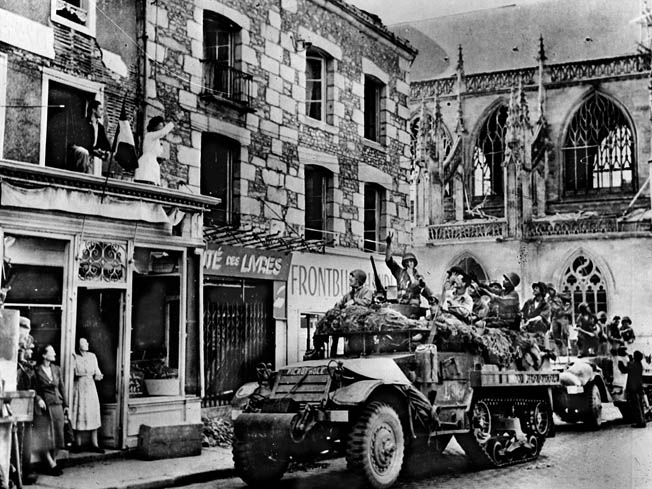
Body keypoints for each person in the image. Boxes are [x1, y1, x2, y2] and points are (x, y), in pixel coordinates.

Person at [311, 269, 373, 358]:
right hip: (346, 320)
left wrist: (354, 301)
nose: (350, 279)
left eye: (352, 278)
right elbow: (340, 304)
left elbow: (367, 302)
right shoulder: (348, 294)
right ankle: (319, 349)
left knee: (353, 333)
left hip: (359, 320)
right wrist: (337, 307)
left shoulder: (367, 291)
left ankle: (356, 352)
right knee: (323, 324)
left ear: (358, 280)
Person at [33, 345, 68, 476]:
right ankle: (51, 464)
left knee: (58, 436)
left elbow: (62, 387)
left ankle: (53, 462)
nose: (54, 354)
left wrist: (66, 405)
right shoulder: (36, 370)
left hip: (57, 405)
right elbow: (34, 388)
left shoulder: (56, 369)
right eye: (51, 352)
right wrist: (38, 399)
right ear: (44, 355)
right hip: (45, 408)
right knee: (46, 436)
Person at [70, 338, 104, 453]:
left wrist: (98, 375)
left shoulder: (92, 356)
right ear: (78, 345)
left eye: (87, 342)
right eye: (84, 342)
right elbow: (73, 372)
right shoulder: (74, 356)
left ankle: (95, 444)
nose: (87, 344)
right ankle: (78, 443)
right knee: (79, 412)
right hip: (79, 386)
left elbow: (97, 370)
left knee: (92, 413)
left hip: (90, 387)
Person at [384, 232, 435, 308]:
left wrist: (431, 298)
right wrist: (388, 245)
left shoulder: (418, 276)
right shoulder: (399, 272)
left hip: (413, 304)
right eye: (407, 262)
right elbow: (389, 261)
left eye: (411, 261)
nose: (410, 263)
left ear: (414, 263)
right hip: (401, 302)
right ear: (404, 263)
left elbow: (424, 290)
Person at [16, 328, 38, 485]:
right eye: (29, 349)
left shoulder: (27, 366)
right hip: (18, 404)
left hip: (26, 406)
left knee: (26, 439)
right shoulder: (19, 367)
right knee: (20, 438)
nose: (32, 352)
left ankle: (24, 469)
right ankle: (20, 470)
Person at [69, 100, 111, 175]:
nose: (102, 112)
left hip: (90, 155)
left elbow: (106, 144)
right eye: (100, 109)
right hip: (79, 152)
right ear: (94, 110)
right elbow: (81, 142)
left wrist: (106, 152)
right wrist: (94, 151)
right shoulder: (83, 123)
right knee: (84, 152)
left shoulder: (100, 127)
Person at [134, 116, 174, 185]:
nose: (161, 128)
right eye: (160, 126)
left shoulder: (156, 140)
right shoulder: (149, 135)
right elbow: (163, 132)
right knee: (146, 182)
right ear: (154, 126)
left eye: (162, 126)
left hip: (153, 163)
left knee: (153, 184)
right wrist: (172, 123)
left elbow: (157, 153)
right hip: (147, 163)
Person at [618, 350, 647, 428]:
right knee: (640, 405)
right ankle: (643, 421)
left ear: (635, 357)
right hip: (639, 386)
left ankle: (640, 423)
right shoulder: (639, 365)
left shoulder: (633, 365)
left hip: (632, 387)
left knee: (636, 406)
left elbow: (624, 370)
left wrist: (619, 362)